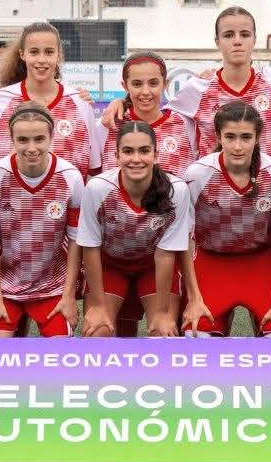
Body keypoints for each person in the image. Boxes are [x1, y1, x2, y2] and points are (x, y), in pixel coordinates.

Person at [101, 6, 271, 165]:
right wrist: (121, 102)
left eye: (244, 34)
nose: (237, 41)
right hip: (216, 198)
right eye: (229, 35)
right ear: (217, 41)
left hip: (269, 196)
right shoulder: (198, 89)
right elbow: (153, 113)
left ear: (255, 39)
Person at [180, 101, 271, 336]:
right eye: (230, 136)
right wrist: (193, 298)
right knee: (196, 335)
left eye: (246, 137)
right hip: (213, 262)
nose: (237, 146)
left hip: (263, 262)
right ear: (218, 137)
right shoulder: (197, 174)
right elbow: (184, 237)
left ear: (258, 137)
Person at [0, 102, 84, 337]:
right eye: (23, 140)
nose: (32, 147)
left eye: (39, 139)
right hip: (5, 285)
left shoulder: (70, 177)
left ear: (51, 137)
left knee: (60, 355)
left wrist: (68, 296)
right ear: (11, 138)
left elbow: (76, 242)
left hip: (52, 286)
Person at [78, 121, 193, 337]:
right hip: (110, 266)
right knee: (98, 332)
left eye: (144, 151)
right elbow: (91, 248)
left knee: (163, 334)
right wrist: (100, 307)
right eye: (128, 151)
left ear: (156, 155)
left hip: (152, 267)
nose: (136, 159)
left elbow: (165, 255)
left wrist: (161, 312)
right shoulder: (98, 188)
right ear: (116, 155)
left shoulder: (176, 190)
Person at [0, 22, 102, 181]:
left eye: (49, 52)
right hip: (12, 204)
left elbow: (93, 169)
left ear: (58, 54)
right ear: (22, 54)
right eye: (34, 52)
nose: (42, 59)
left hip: (68, 205)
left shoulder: (80, 102)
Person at [100, 52, 197, 178]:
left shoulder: (185, 125)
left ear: (164, 84)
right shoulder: (109, 123)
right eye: (137, 84)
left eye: (153, 83)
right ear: (125, 86)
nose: (145, 92)